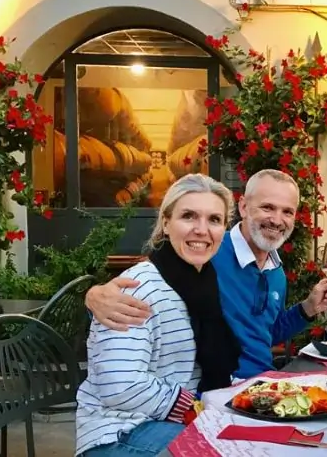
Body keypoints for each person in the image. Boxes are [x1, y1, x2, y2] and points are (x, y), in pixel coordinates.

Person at [84, 169, 327, 379]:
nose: (276, 219)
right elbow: (154, 273)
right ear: (243, 207)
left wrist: (308, 308)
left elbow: (265, 334)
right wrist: (93, 295)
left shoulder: (276, 271)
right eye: (267, 207)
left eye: (287, 211)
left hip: (263, 384)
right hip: (221, 388)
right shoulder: (207, 251)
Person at [76, 174, 241, 457]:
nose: (202, 230)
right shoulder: (139, 288)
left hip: (166, 420)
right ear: (166, 223)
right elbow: (121, 385)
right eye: (189, 216)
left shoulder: (204, 281)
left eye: (214, 220)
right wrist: (196, 407)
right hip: (119, 433)